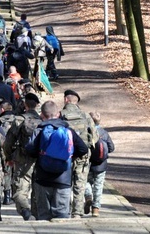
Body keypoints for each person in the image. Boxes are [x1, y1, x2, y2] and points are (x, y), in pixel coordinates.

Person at [24, 100, 88, 220]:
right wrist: (68, 156)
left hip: (42, 178)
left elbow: (29, 150)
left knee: (43, 216)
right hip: (63, 179)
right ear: (58, 114)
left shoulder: (39, 131)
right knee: (62, 216)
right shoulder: (68, 131)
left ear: (42, 115)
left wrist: (41, 155)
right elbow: (83, 149)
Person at [3, 92, 42, 220]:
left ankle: (25, 211)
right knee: (37, 188)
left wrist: (8, 157)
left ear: (25, 105)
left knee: (20, 188)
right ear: (36, 105)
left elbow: (8, 142)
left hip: (22, 159)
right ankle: (37, 215)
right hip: (41, 160)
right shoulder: (43, 120)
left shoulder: (19, 120)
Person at [61, 89, 99, 218]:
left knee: (65, 183)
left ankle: (64, 210)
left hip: (64, 156)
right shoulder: (85, 116)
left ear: (66, 100)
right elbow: (95, 136)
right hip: (82, 156)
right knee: (80, 184)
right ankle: (77, 212)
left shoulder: (60, 115)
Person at [85, 111, 115, 217]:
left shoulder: (87, 132)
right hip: (101, 165)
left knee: (86, 182)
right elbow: (111, 148)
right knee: (98, 185)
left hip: (88, 164)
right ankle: (96, 209)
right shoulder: (104, 133)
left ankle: (88, 196)